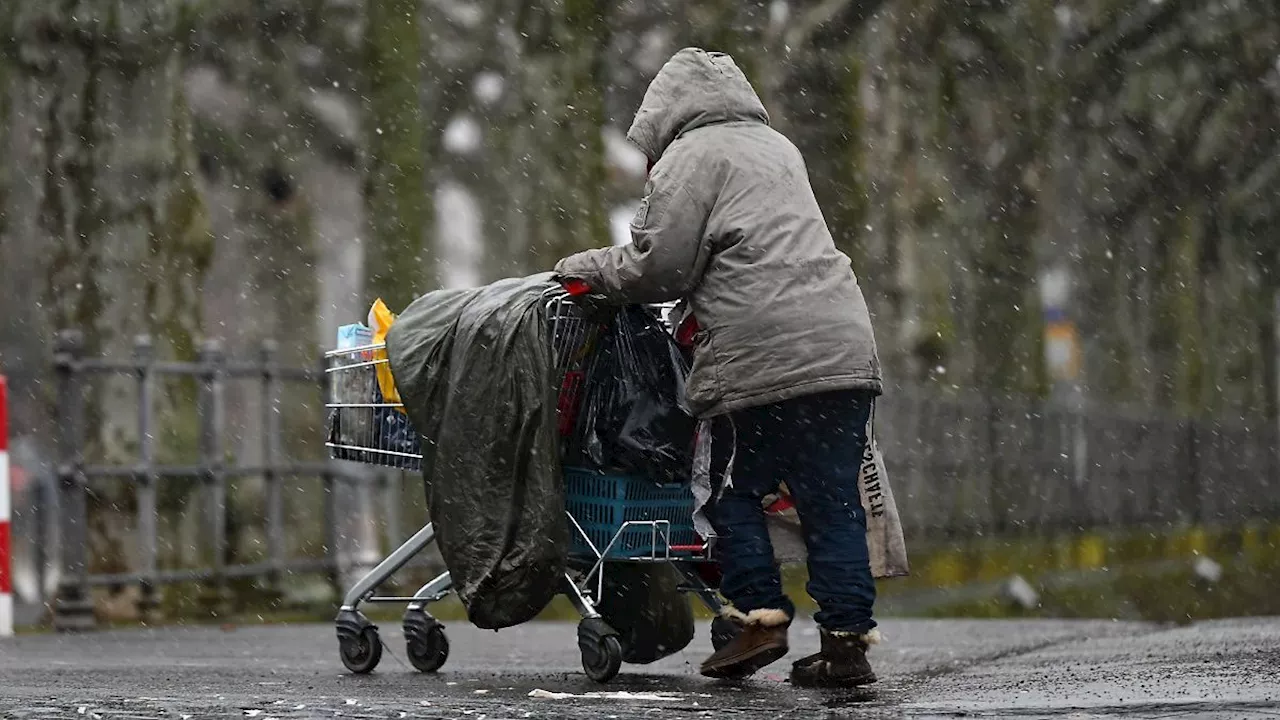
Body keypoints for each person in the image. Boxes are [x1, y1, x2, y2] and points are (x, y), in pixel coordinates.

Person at [553, 47, 883, 688]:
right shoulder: (779, 147)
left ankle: (758, 619)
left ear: (663, 115)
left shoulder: (689, 156)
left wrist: (582, 269)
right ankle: (846, 646)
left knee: (730, 492)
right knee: (833, 505)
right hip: (844, 346)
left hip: (758, 351)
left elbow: (661, 267)